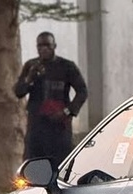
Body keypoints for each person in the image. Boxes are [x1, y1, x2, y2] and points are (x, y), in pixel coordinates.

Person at [14, 31, 88, 168]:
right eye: (40, 46)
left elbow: (82, 92)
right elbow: (18, 92)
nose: (44, 49)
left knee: (61, 164)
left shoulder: (67, 66)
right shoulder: (31, 66)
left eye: (47, 45)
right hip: (37, 125)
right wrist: (29, 78)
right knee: (34, 163)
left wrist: (67, 111)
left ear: (54, 46)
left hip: (59, 126)